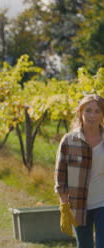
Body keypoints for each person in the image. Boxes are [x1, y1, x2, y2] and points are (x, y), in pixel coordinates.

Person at [55, 94, 104, 247]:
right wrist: (64, 206)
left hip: (103, 203)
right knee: (85, 245)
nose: (92, 115)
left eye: (97, 111)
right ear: (80, 113)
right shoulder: (69, 141)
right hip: (78, 205)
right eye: (88, 110)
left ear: (102, 114)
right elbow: (61, 176)